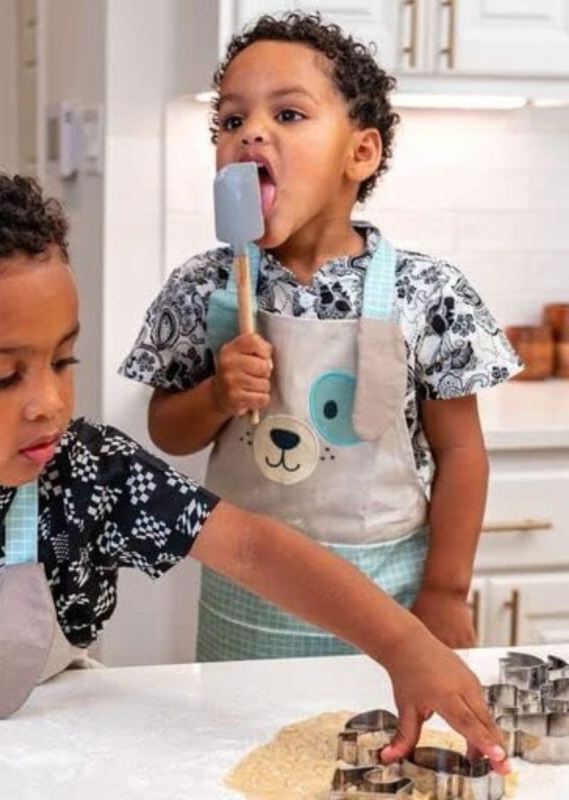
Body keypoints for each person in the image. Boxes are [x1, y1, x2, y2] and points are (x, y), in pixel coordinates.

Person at [0, 147, 507, 767]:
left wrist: (403, 644)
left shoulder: (88, 474)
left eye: (62, 361)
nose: (49, 403)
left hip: (47, 753)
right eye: (1, 377)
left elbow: (249, 546)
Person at [120, 12, 522, 663]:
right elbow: (168, 430)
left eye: (288, 115)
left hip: (388, 594)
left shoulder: (430, 292)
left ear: (359, 154)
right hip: (245, 594)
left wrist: (447, 592)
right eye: (229, 120)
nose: (250, 130)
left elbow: (462, 454)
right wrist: (217, 396)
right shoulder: (201, 286)